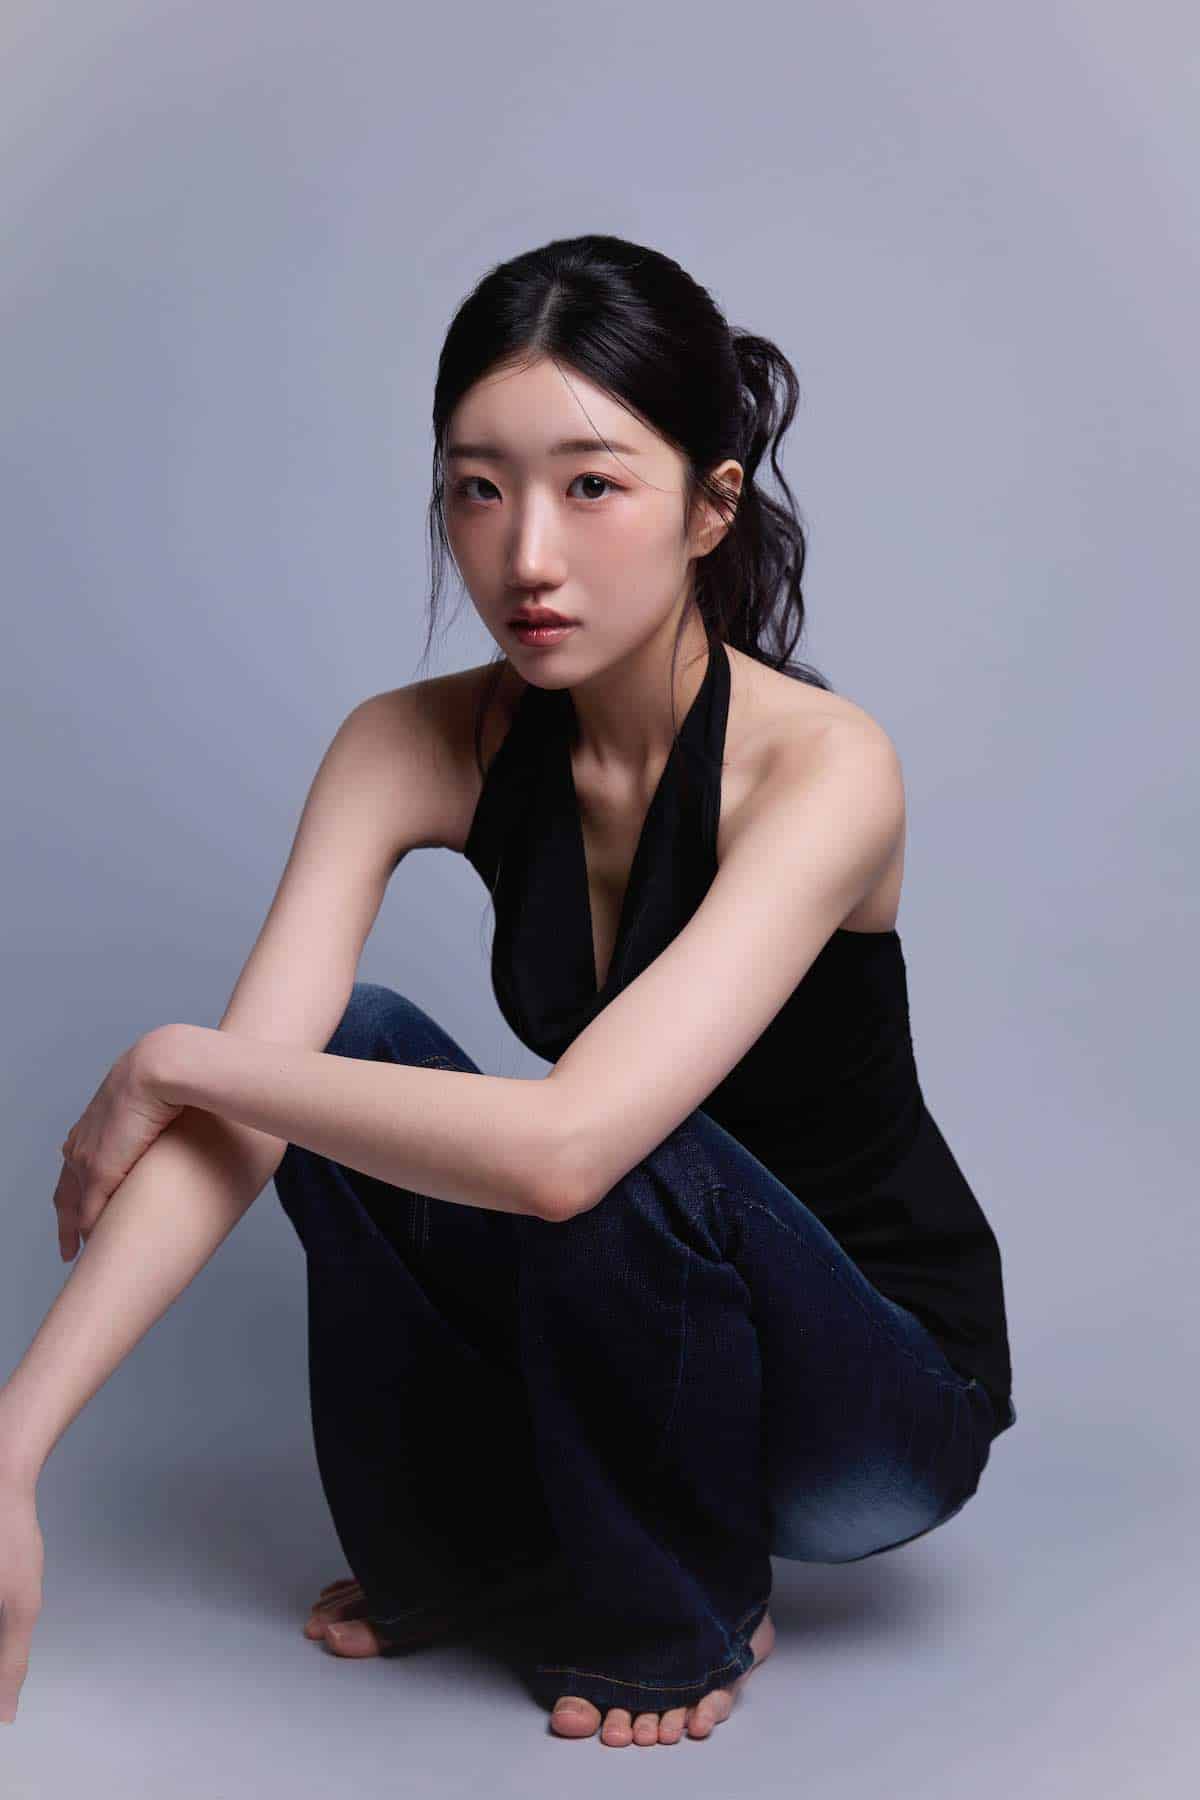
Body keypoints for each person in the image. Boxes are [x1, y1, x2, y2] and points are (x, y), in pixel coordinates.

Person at [0, 234, 1015, 1748]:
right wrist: (13, 1452)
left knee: (605, 1131)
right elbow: (255, 1110)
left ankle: (674, 1602)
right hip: (631, 1332)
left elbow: (565, 1152)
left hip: (868, 1405)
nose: (527, 556)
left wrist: (173, 1057)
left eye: (591, 486)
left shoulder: (823, 767)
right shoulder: (406, 742)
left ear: (709, 508)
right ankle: (477, 1550)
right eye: (480, 490)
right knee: (345, 1054)